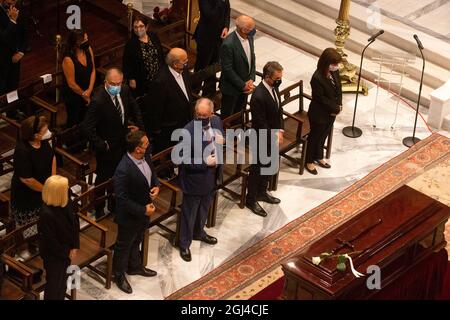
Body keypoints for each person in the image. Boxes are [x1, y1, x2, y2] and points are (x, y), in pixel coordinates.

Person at [81, 67, 144, 219]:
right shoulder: (98, 100)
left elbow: (133, 105)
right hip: (107, 148)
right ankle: (99, 207)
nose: (116, 86)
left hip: (123, 142)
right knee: (103, 178)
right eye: (113, 83)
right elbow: (86, 127)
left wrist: (139, 126)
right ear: (106, 82)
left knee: (120, 176)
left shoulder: (124, 90)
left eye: (119, 83)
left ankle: (115, 205)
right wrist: (101, 144)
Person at [113, 130, 160, 294]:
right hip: (129, 215)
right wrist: (142, 210)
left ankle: (134, 267)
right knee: (123, 246)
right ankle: (118, 275)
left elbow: (152, 173)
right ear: (137, 149)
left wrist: (156, 186)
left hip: (145, 210)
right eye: (145, 144)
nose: (148, 145)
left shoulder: (145, 156)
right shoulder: (123, 169)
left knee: (137, 239)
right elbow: (122, 199)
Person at [177, 98, 223, 262]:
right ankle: (184, 244)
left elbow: (220, 138)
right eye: (198, 115)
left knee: (204, 209)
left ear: (211, 113)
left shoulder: (216, 121)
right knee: (189, 213)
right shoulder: (188, 131)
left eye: (205, 115)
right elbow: (182, 159)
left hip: (212, 177)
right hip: (194, 179)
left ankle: (199, 232)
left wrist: (221, 143)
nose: (201, 118)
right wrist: (204, 163)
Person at [245, 61, 284, 217]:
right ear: (267, 77)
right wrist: (273, 135)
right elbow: (260, 122)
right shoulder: (258, 95)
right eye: (277, 78)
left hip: (273, 135)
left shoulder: (274, 88)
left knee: (269, 165)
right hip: (261, 137)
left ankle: (262, 192)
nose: (279, 81)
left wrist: (280, 130)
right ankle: (251, 198)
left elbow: (279, 110)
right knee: (257, 168)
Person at [10, 116, 56, 235]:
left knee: (46, 221)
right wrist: (46, 189)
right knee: (31, 226)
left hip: (45, 186)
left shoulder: (43, 141)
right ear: (36, 135)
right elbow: (27, 179)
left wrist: (53, 180)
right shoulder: (22, 151)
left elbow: (52, 157)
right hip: (28, 194)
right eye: (45, 131)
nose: (49, 133)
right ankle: (32, 242)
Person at [38, 175, 79, 300]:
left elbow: (74, 223)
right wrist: (66, 252)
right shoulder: (46, 214)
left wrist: (75, 246)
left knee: (63, 283)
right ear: (57, 193)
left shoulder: (67, 201)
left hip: (67, 250)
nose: (68, 188)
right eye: (65, 187)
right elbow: (51, 241)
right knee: (54, 285)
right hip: (54, 255)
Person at [148, 48, 194, 154]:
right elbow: (156, 109)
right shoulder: (160, 81)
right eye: (184, 61)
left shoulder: (184, 71)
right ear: (175, 64)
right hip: (170, 128)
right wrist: (157, 131)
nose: (187, 63)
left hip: (186, 120)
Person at [305, 48, 342, 175]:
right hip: (319, 113)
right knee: (314, 137)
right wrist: (335, 108)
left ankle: (319, 156)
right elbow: (320, 98)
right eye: (334, 64)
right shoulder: (317, 78)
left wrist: (339, 105)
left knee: (324, 135)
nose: (336, 66)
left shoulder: (334, 72)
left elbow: (339, 89)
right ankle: (309, 161)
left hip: (331, 112)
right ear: (326, 62)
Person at [219, 15, 256, 120]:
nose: (253, 31)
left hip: (245, 85)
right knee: (228, 117)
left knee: (240, 113)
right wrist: (242, 85)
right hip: (231, 88)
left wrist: (251, 78)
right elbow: (227, 69)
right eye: (251, 29)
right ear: (243, 30)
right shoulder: (228, 44)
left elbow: (252, 58)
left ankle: (237, 133)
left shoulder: (250, 38)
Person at [193, 0, 230, 97]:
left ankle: (209, 93)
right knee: (201, 66)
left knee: (213, 65)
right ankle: (194, 92)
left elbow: (227, 11)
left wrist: (226, 27)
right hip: (205, 37)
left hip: (218, 38)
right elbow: (210, 15)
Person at [122, 14, 164, 98]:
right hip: (141, 78)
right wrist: (131, 78)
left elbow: (161, 54)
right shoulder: (131, 44)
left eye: (141, 26)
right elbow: (126, 63)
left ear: (146, 26)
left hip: (157, 76)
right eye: (135, 27)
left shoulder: (153, 36)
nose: (138, 29)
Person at [62, 29, 96, 128]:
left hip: (88, 90)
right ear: (76, 43)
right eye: (84, 40)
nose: (87, 41)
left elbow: (93, 70)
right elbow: (71, 83)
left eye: (86, 38)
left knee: (89, 118)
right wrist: (84, 95)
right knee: (75, 121)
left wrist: (89, 90)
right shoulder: (68, 59)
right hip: (74, 95)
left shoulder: (88, 49)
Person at [0, 0, 27, 96]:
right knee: (2, 86)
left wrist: (21, 52)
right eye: (9, 3)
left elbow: (24, 33)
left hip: (15, 57)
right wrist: (12, 21)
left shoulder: (18, 9)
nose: (12, 5)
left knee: (13, 85)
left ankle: (12, 109)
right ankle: (2, 109)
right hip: (2, 58)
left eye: (14, 2)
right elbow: (3, 38)